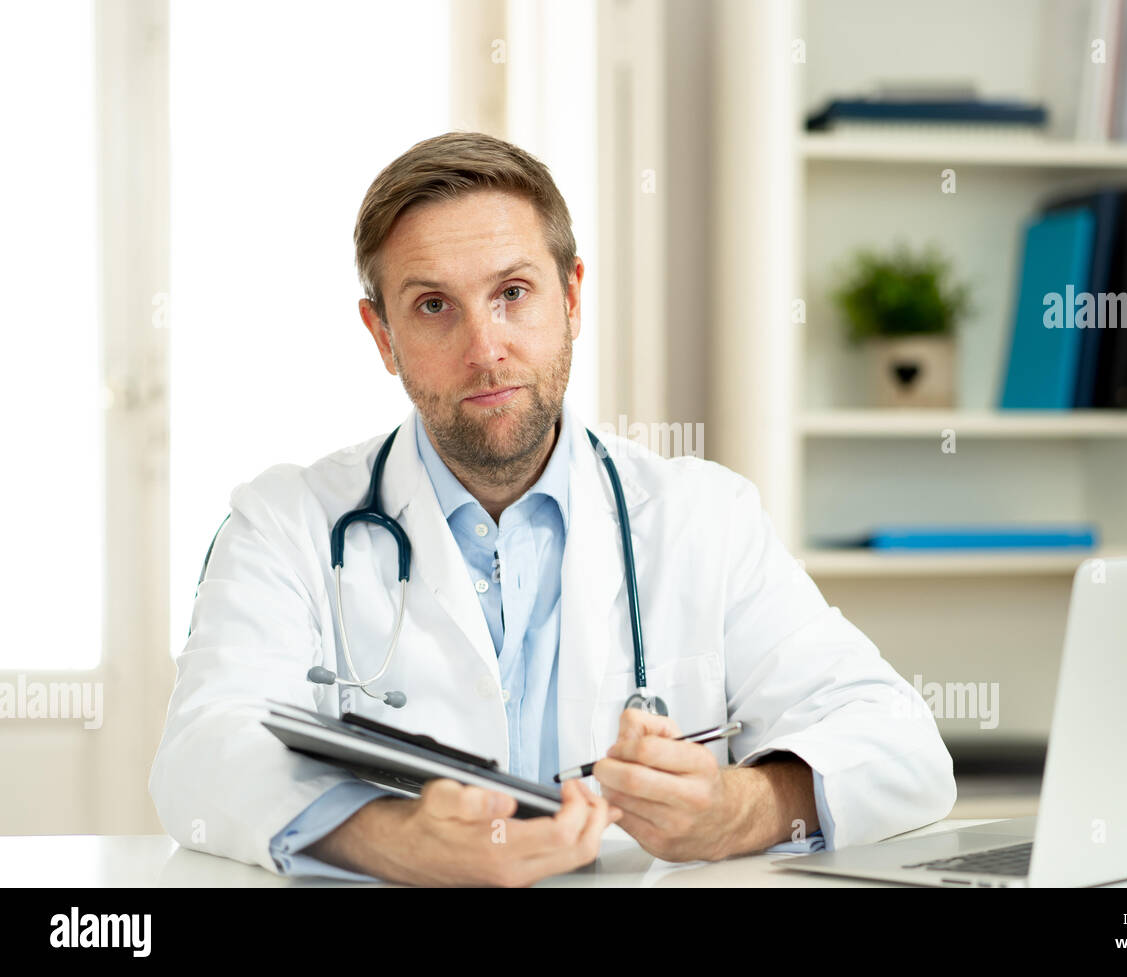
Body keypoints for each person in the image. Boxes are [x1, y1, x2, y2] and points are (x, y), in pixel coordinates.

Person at [149, 131, 956, 887]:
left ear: (572, 297)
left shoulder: (704, 517)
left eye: (512, 292)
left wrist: (732, 809)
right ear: (382, 334)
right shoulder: (285, 522)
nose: (484, 347)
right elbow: (201, 753)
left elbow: (903, 749)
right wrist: (400, 840)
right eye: (433, 305)